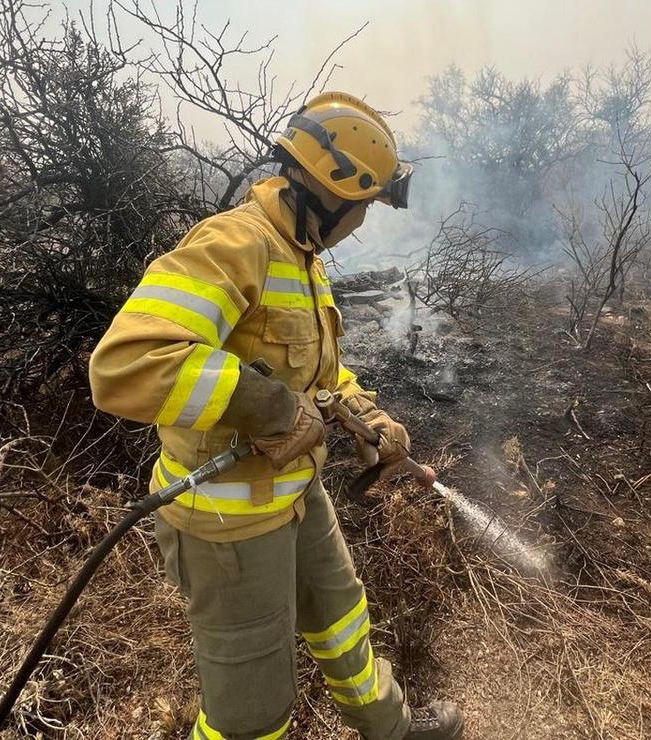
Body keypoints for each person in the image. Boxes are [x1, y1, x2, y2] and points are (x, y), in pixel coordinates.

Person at [89, 91, 463, 739]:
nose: (363, 222)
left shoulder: (302, 260)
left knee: (344, 624)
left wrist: (366, 416)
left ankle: (391, 729)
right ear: (331, 193)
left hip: (296, 494)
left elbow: (316, 374)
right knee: (252, 709)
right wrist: (271, 406)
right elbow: (127, 362)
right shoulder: (236, 244)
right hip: (228, 522)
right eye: (363, 207)